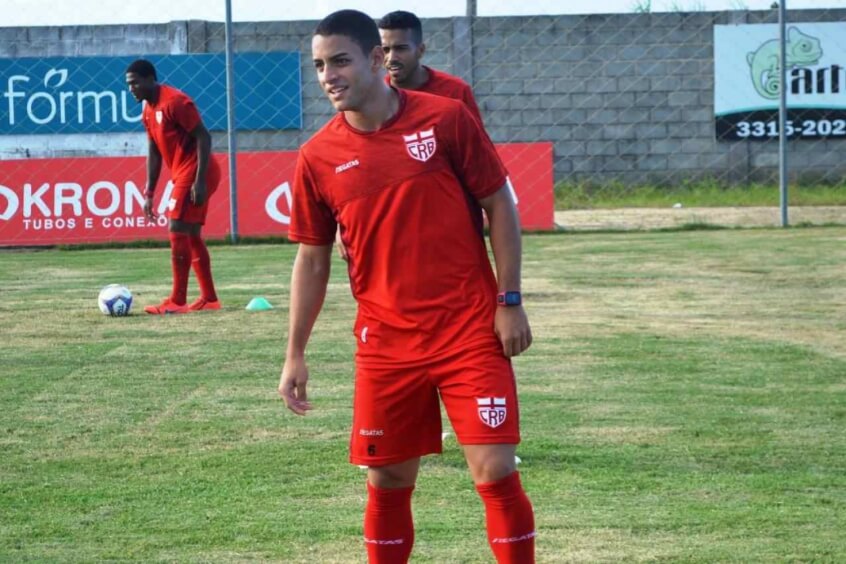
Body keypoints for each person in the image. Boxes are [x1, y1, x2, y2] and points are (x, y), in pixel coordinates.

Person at [278, 10, 535, 564]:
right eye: (320, 65)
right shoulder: (316, 157)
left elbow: (499, 204)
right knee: (388, 477)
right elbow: (313, 259)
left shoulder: (446, 119)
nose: (328, 75)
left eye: (340, 61)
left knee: (493, 468)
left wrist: (509, 300)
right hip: (386, 343)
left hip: (469, 330)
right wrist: (294, 352)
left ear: (377, 60)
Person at [125, 59, 222, 315]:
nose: (131, 89)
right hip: (182, 173)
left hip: (197, 170)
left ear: (150, 79)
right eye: (128, 84)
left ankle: (177, 302)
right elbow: (154, 152)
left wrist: (200, 180)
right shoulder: (147, 110)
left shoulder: (175, 102)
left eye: (135, 83)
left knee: (177, 225)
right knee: (190, 235)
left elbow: (204, 136)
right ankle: (210, 299)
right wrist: (149, 193)